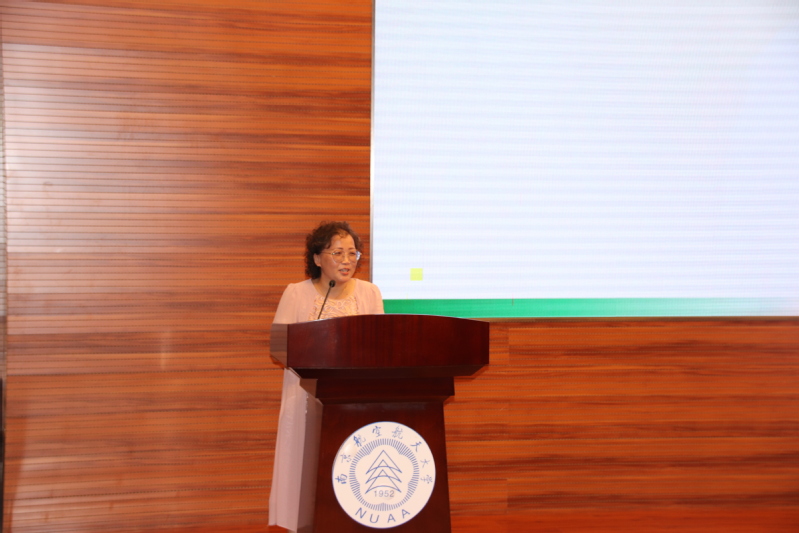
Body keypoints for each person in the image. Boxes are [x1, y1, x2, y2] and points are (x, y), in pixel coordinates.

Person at [268, 221, 383, 532]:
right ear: (318, 258)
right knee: (307, 466)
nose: (347, 260)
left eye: (352, 253)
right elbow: (279, 347)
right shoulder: (296, 293)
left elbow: (380, 344)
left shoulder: (369, 292)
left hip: (355, 399)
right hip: (306, 398)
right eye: (337, 253)